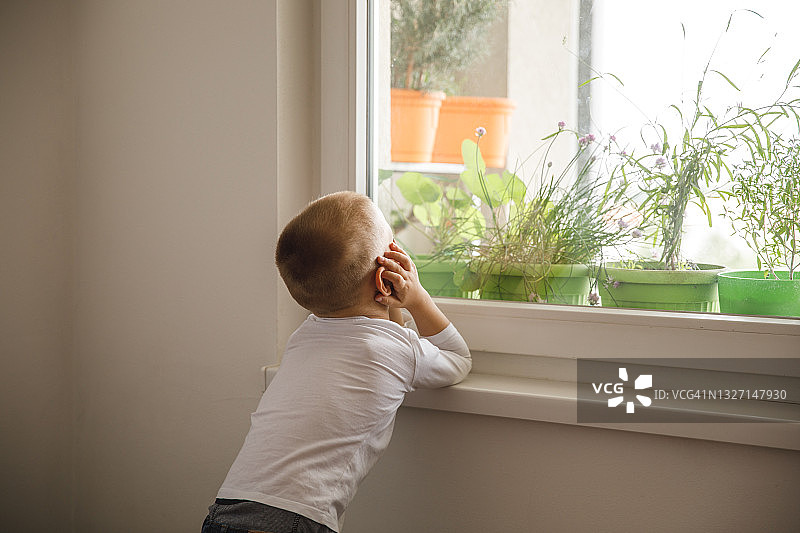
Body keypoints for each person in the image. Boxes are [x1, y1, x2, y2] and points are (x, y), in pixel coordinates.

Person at [202, 191, 472, 533]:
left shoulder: (303, 338)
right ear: (384, 278)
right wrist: (418, 299)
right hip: (295, 521)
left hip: (228, 510)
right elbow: (458, 359)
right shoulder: (397, 350)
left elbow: (377, 333)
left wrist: (393, 303)